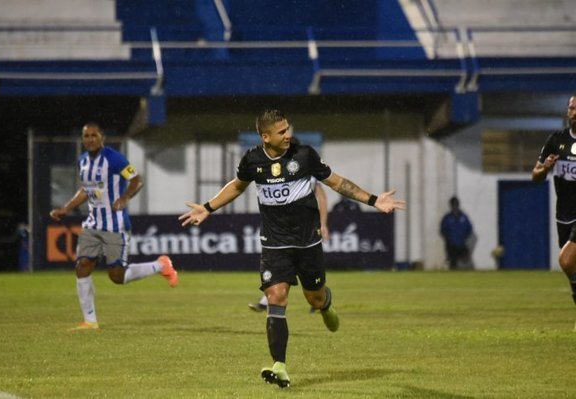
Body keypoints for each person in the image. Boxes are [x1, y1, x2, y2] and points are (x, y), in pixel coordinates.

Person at [179, 109, 405, 388]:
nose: (289, 135)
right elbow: (237, 186)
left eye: (288, 129)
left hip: (307, 242)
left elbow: (336, 182)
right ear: (266, 137)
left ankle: (326, 303)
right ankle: (280, 366)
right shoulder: (252, 160)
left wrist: (373, 200)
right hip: (274, 244)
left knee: (315, 299)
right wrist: (208, 207)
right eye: (282, 131)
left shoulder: (304, 155)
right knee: (276, 297)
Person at [50, 123, 178, 330]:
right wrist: (67, 208)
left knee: (117, 276)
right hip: (93, 224)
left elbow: (137, 180)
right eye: (86, 136)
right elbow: (86, 190)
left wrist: (125, 197)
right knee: (82, 266)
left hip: (115, 224)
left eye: (94, 135)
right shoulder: (82, 161)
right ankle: (90, 321)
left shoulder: (113, 158)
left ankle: (161, 265)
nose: (90, 139)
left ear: (102, 137)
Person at [248, 179, 330, 312]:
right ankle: (268, 300)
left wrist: (323, 223)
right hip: (282, 234)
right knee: (281, 270)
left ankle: (318, 298)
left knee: (309, 274)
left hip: (307, 233)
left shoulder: (309, 172)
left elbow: (322, 198)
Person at [532, 94, 576, 330]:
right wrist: (545, 168)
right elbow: (535, 176)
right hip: (564, 213)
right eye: (571, 108)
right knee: (571, 268)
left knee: (565, 259)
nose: (573, 111)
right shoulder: (556, 140)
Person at [439, 196, 474, 270]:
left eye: (456, 204)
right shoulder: (447, 218)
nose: (455, 206)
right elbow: (442, 230)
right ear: (451, 205)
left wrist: (464, 237)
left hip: (461, 244)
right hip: (451, 245)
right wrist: (448, 238)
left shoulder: (463, 217)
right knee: (453, 263)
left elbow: (469, 228)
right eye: (453, 204)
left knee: (466, 260)